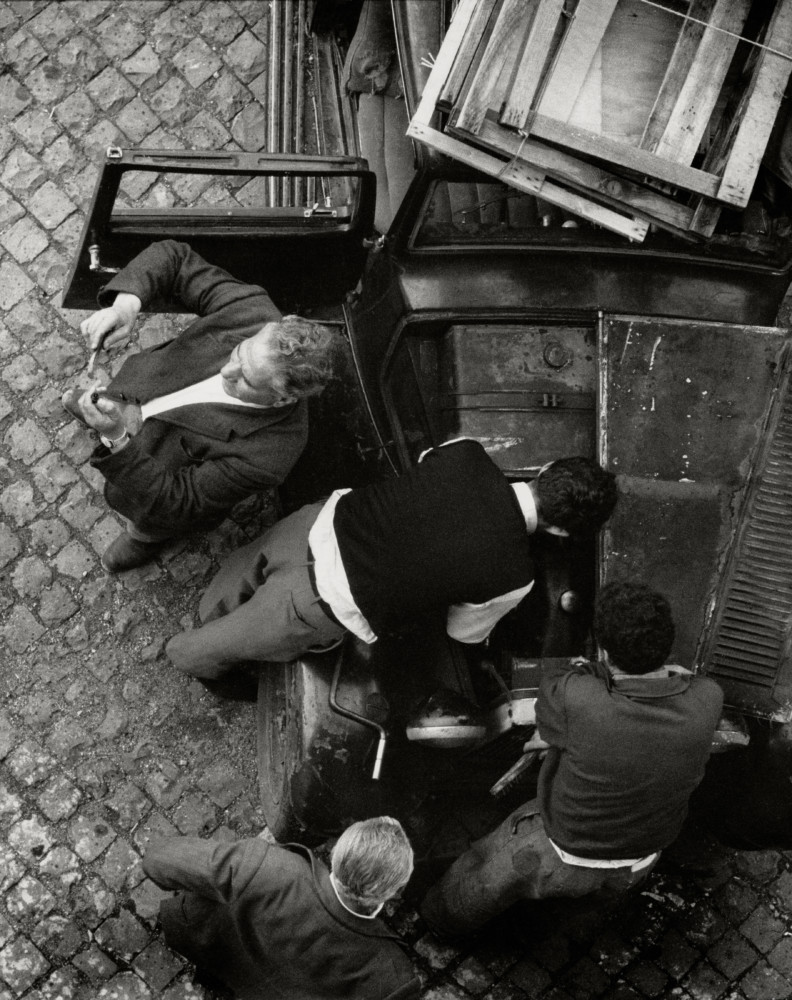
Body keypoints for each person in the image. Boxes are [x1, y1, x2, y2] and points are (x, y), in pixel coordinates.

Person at [164, 438, 617, 678]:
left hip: (312, 525)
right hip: (314, 604)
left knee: (241, 569)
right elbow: (462, 632)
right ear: (562, 531)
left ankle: (210, 606)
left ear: (545, 470)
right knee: (210, 649)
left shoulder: (469, 453)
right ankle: (183, 655)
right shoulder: (515, 577)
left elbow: (425, 463)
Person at [418, 581, 724, 937]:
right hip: (643, 856)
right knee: (582, 902)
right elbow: (688, 680)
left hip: (562, 849)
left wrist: (590, 669)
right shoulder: (709, 698)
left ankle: (436, 922)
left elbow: (555, 685)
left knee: (481, 878)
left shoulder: (578, 697)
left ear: (604, 652)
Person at [61, 240, 337, 573]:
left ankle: (144, 537)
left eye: (246, 380)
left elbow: (179, 503)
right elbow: (175, 258)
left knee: (154, 520)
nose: (227, 372)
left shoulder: (270, 456)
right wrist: (125, 307)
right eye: (239, 353)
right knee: (103, 403)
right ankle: (98, 407)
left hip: (154, 475)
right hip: (137, 391)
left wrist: (118, 438)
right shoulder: (252, 310)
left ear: (283, 398)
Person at [142, 817, 420, 1000]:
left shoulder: (271, 866)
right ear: (392, 893)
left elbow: (159, 860)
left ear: (337, 851)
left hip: (212, 948)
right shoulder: (392, 977)